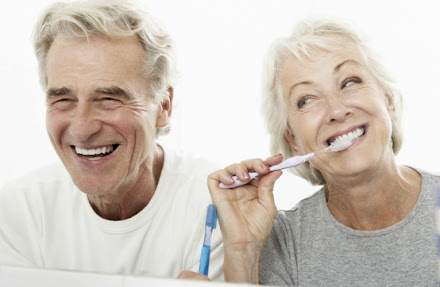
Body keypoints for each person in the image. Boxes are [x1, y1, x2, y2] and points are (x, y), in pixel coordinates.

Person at [0, 0, 223, 280]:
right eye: (64, 99)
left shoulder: (215, 206)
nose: (82, 129)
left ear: (163, 106)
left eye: (108, 99)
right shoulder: (21, 213)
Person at [207, 17, 440, 286]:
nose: (337, 111)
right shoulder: (284, 244)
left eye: (349, 82)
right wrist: (242, 250)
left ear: (388, 101)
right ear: (293, 140)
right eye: (307, 100)